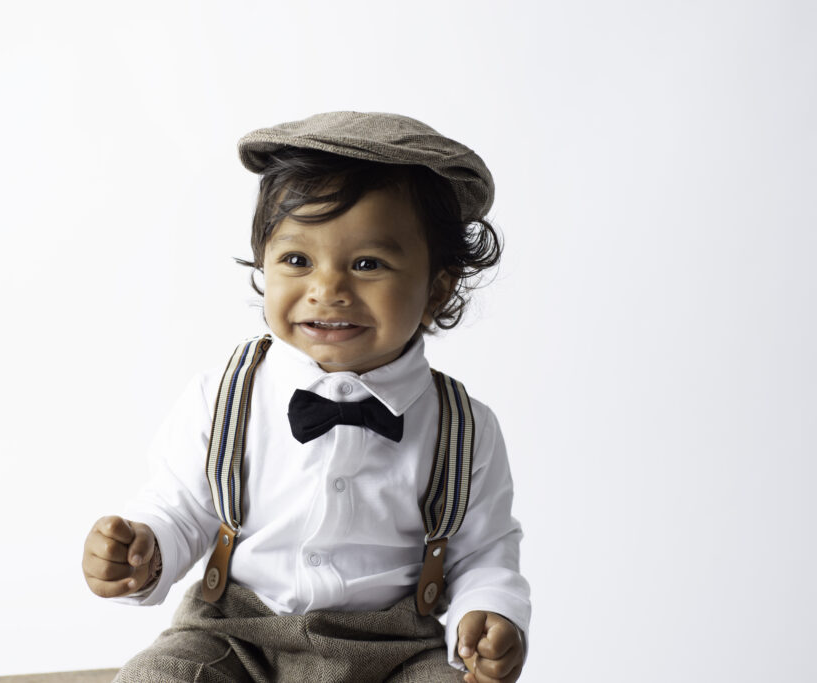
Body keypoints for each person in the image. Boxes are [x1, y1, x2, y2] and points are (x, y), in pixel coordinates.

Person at [82, 111, 531, 683]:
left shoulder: (464, 426)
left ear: (436, 289)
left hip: (394, 652)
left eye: (368, 264)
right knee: (159, 676)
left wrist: (489, 613)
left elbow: (484, 550)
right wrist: (144, 550)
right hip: (236, 636)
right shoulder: (224, 396)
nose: (327, 289)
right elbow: (183, 507)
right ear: (263, 264)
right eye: (297, 260)